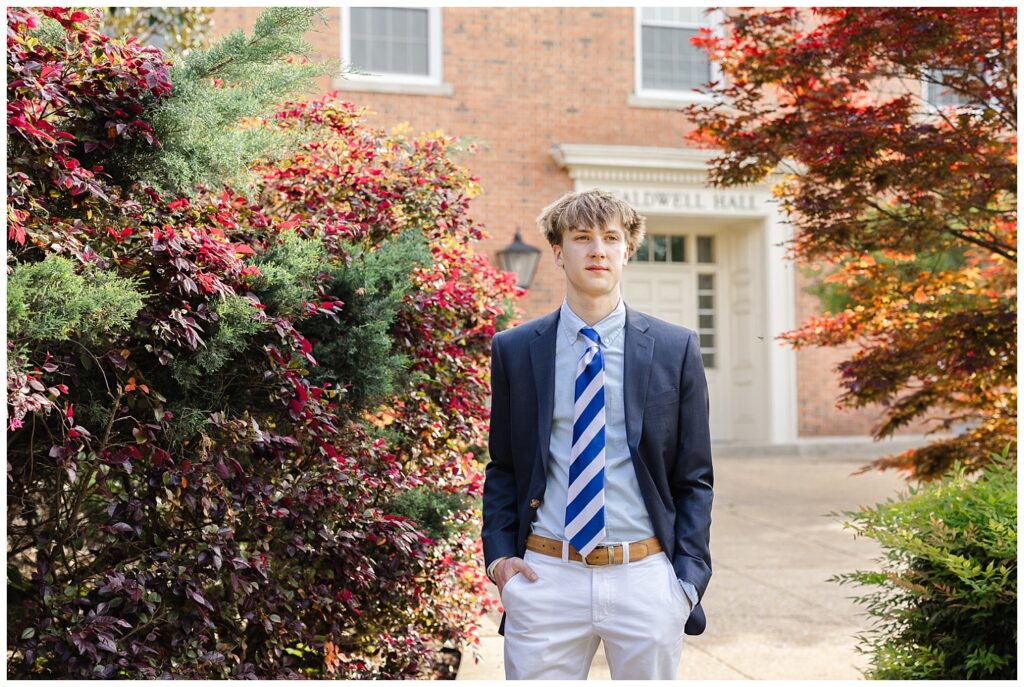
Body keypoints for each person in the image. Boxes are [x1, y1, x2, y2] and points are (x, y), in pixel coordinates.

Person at [481, 189, 714, 680]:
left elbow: (694, 477)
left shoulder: (676, 349)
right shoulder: (516, 350)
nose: (598, 250)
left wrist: (687, 581)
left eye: (611, 238)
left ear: (628, 250)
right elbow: (503, 466)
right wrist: (500, 560)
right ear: (559, 251)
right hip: (547, 576)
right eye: (582, 237)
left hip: (646, 577)